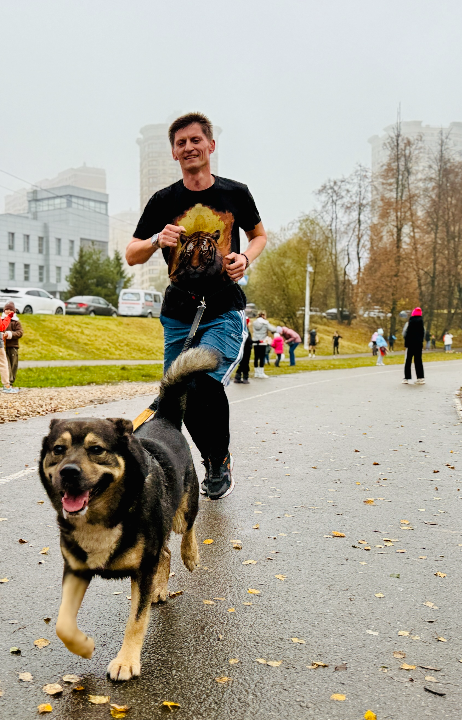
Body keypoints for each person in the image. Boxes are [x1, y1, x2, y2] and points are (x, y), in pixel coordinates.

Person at [126, 112, 267, 500]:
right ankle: (213, 459)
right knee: (179, 396)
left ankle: (218, 463)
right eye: (181, 143)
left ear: (210, 146)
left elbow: (258, 235)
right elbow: (131, 254)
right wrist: (157, 238)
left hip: (223, 310)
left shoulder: (235, 193)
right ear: (174, 153)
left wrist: (246, 259)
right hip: (177, 315)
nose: (188, 147)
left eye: (195, 140)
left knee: (203, 384)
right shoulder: (163, 201)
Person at [2, 301, 24, 386]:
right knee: (6, 363)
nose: (8, 311)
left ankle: (12, 380)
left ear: (14, 311)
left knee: (13, 363)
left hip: (13, 346)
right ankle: (8, 381)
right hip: (3, 346)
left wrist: (10, 334)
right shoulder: (1, 320)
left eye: (10, 309)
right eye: (6, 309)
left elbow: (20, 332)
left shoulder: (16, 322)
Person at [402, 307, 425, 384]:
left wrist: (406, 340)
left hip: (410, 343)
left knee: (408, 360)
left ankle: (406, 378)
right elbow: (423, 333)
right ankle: (420, 378)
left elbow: (404, 333)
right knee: (418, 360)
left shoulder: (409, 322)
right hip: (418, 344)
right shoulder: (422, 322)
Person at [251, 312, 278, 378]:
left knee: (256, 357)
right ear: (263, 315)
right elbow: (273, 329)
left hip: (255, 341)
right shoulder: (265, 323)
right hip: (262, 342)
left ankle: (256, 373)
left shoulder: (254, 323)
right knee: (262, 357)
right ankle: (261, 372)